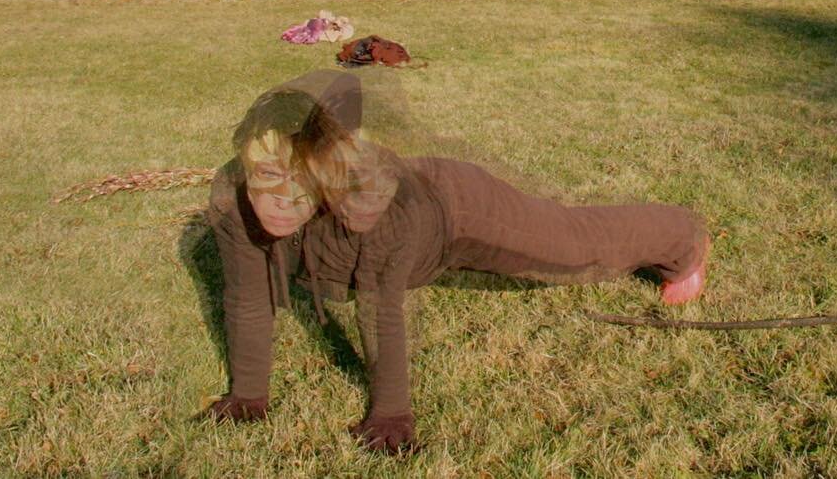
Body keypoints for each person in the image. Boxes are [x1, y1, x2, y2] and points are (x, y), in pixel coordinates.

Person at [204, 70, 709, 454]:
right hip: (410, 213)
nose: (275, 197)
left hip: (456, 208)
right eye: (265, 172)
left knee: (573, 244)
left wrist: (390, 413)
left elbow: (380, 312)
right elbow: (247, 297)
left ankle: (682, 239)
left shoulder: (378, 211)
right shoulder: (232, 198)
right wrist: (248, 396)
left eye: (295, 178)